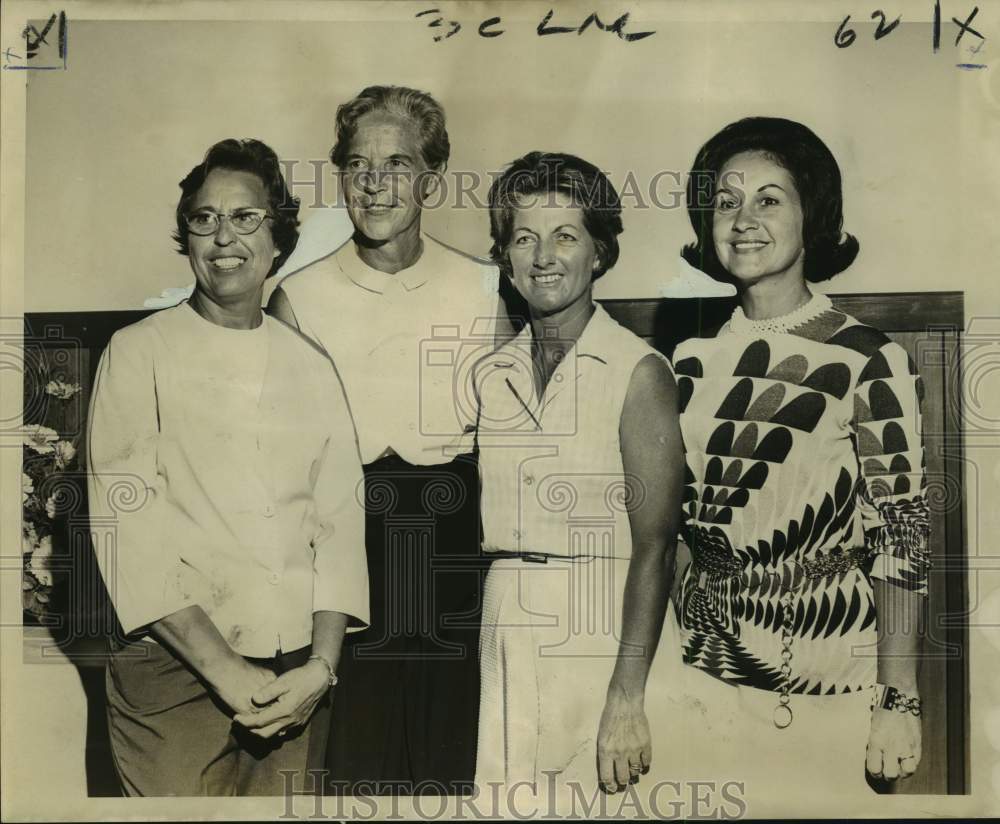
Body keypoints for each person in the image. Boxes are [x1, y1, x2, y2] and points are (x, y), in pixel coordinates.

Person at [87, 139, 369, 796]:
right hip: (173, 683)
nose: (223, 239)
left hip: (295, 684)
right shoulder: (136, 354)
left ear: (278, 239)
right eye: (203, 219)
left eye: (245, 219)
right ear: (185, 238)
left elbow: (338, 526)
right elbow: (132, 538)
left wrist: (322, 667)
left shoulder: (312, 366)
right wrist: (230, 675)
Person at [672, 116, 930, 801]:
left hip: (825, 681)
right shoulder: (686, 362)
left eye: (769, 199)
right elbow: (675, 529)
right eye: (725, 201)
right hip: (695, 675)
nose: (743, 219)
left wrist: (898, 700)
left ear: (811, 214)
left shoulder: (870, 359)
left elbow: (901, 539)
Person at [269, 85, 509, 794]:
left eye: (397, 163)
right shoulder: (298, 298)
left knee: (453, 762)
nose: (375, 184)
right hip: (347, 560)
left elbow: (510, 451)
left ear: (431, 177)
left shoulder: (485, 289)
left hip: (455, 554)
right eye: (357, 165)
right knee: (354, 766)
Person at [471, 152, 685, 798]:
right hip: (507, 625)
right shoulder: (492, 374)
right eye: (524, 238)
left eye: (565, 236)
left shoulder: (637, 372)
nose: (543, 257)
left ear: (600, 251)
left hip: (601, 627)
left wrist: (626, 695)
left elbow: (658, 546)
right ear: (505, 257)